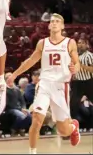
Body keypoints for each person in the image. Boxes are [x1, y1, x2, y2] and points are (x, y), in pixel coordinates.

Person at [7, 13, 81, 154]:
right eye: (52, 21)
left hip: (61, 85)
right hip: (45, 84)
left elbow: (77, 63)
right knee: (36, 119)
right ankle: (32, 152)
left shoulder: (69, 42)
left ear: (62, 26)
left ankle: (73, 127)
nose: (54, 23)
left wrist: (74, 68)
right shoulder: (43, 43)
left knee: (63, 130)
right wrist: (15, 74)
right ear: (48, 25)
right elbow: (30, 61)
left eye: (57, 21)